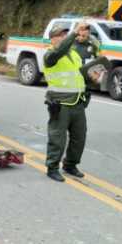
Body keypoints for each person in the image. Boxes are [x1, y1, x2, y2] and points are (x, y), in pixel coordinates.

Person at [43, 22, 98, 182]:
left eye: (64, 35)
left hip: (78, 102)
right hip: (60, 103)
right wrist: (75, 32)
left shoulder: (74, 55)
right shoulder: (50, 55)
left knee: (79, 137)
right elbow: (60, 50)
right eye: (59, 36)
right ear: (52, 39)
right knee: (57, 138)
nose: (63, 38)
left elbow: (79, 76)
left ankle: (70, 165)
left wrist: (92, 78)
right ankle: (52, 167)